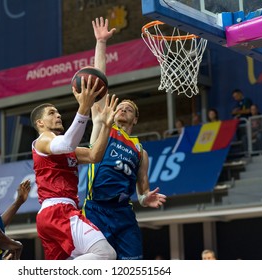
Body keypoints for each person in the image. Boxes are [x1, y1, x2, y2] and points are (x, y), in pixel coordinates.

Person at [82, 17, 167, 260]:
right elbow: (99, 83)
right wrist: (100, 43)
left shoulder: (141, 151)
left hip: (123, 213)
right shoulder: (103, 126)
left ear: (135, 119)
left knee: (134, 264)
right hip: (96, 208)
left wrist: (145, 198)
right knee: (100, 264)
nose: (123, 109)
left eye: (129, 108)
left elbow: (142, 190)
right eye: (121, 106)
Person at [30, 70, 118, 259]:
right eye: (52, 113)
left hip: (52, 215)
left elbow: (94, 156)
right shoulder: (44, 139)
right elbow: (66, 143)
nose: (58, 115)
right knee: (105, 254)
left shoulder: (65, 148)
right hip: (58, 210)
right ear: (40, 122)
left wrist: (106, 126)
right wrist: (84, 108)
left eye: (58, 112)